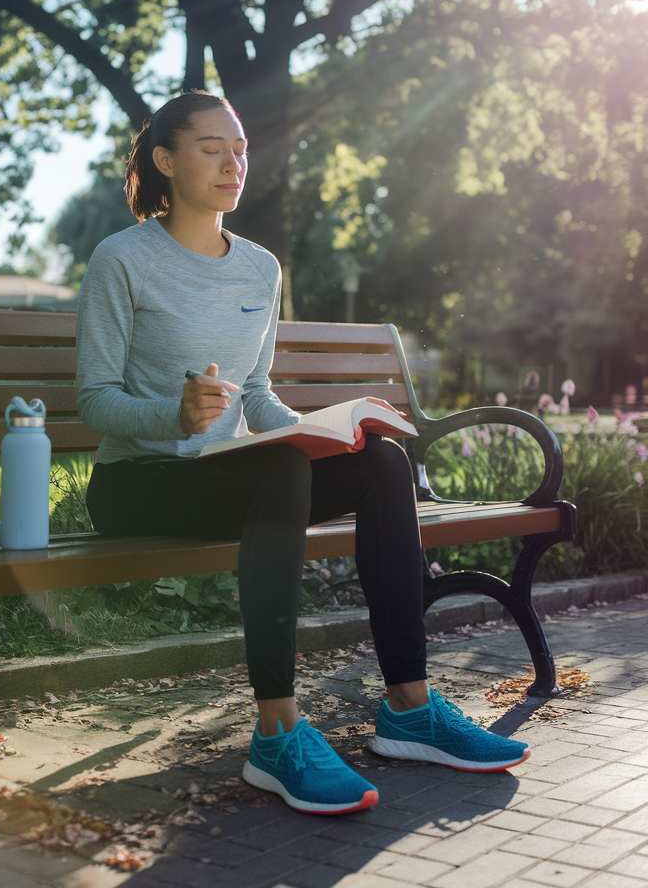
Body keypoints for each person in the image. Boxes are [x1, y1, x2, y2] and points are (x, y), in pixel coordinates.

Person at [75, 91, 528, 815]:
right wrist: (174, 411)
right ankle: (277, 733)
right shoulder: (122, 259)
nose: (233, 162)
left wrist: (330, 430)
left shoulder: (259, 268)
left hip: (230, 478)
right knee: (279, 467)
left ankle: (410, 709)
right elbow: (94, 398)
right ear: (165, 160)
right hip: (139, 480)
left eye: (241, 148)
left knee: (381, 463)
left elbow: (256, 393)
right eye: (211, 147)